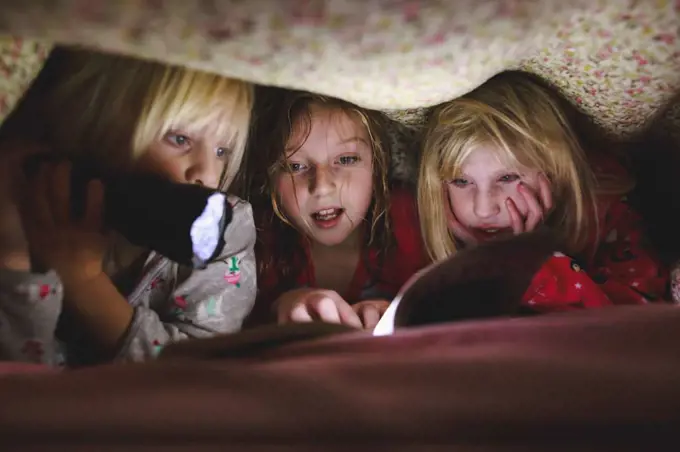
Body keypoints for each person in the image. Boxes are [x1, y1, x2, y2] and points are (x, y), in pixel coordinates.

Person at [0, 47, 257, 366]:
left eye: (222, 151)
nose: (206, 173)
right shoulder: (38, 205)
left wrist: (85, 284)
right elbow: (20, 382)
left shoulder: (227, 232)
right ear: (100, 130)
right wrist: (12, 254)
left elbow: (195, 374)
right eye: (179, 140)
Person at [417, 71, 668, 311]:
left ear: (554, 172)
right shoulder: (415, 234)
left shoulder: (610, 218)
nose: (483, 209)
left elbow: (630, 329)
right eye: (461, 182)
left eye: (507, 178)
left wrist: (529, 264)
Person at [247, 91, 427, 330]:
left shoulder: (411, 220)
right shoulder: (252, 237)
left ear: (378, 164)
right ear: (270, 177)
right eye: (295, 165)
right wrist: (277, 308)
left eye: (346, 160)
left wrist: (399, 310)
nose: (321, 186)